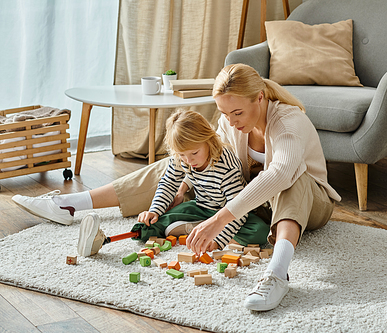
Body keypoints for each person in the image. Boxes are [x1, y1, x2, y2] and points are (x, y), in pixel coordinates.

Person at [12, 63, 341, 312]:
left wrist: (219, 219)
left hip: (309, 203)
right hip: (248, 199)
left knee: (289, 179)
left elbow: (279, 174)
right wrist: (183, 181)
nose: (231, 120)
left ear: (260, 97)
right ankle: (72, 205)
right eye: (225, 112)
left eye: (238, 112)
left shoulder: (288, 122)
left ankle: (277, 273)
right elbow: (213, 154)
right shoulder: (229, 119)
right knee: (181, 159)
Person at [75, 109, 269, 257]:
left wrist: (218, 241)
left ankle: (199, 230)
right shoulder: (181, 158)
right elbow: (168, 184)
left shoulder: (226, 165)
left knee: (259, 231)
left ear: (209, 141)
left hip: (228, 212)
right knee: (152, 222)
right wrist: (154, 210)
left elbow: (238, 209)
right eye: (183, 155)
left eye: (194, 153)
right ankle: (102, 240)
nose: (189, 160)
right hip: (201, 207)